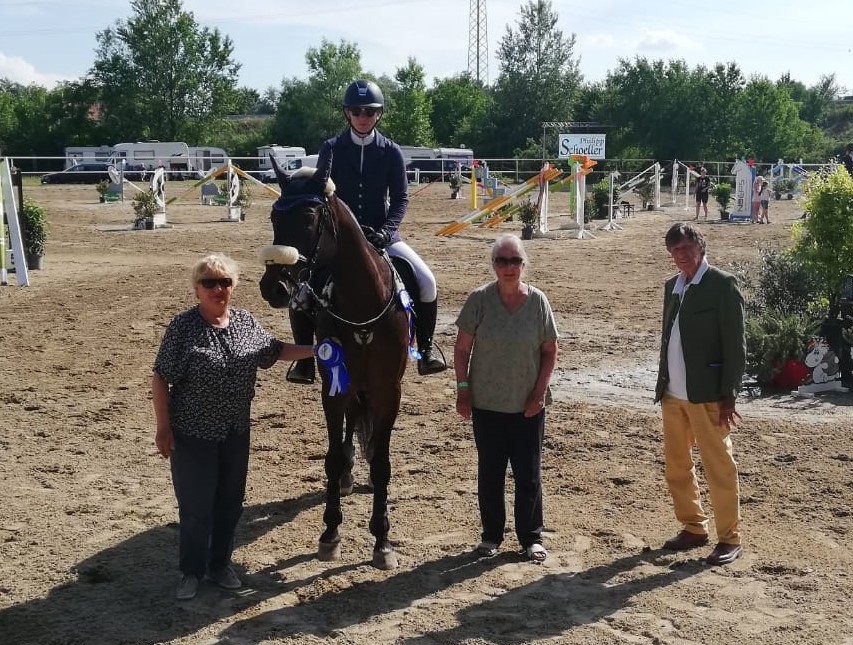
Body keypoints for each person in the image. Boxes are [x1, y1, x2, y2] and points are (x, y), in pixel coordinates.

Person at [152, 253, 316, 600]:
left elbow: (275, 350)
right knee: (196, 507)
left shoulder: (244, 322)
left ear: (234, 286)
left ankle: (219, 565)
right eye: (209, 283)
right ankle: (191, 571)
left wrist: (317, 350)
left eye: (224, 282)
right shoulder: (183, 327)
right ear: (197, 289)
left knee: (229, 503)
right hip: (193, 433)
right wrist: (163, 427)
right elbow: (161, 377)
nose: (218, 289)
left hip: (235, 431)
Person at [286, 78, 447, 384]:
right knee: (302, 289)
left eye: (370, 111)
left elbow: (400, 198)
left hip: (382, 236)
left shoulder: (391, 152)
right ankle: (305, 364)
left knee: (427, 280)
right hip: (338, 240)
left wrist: (387, 231)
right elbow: (323, 195)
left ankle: (425, 350)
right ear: (348, 113)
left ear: (379, 114)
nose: (363, 116)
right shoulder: (331, 148)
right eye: (357, 111)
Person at [453, 234, 559, 563]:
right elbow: (461, 349)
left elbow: (550, 351)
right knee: (491, 473)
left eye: (515, 261)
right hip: (487, 404)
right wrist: (463, 389)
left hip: (527, 406)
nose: (509, 267)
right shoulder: (479, 300)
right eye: (502, 261)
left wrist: (539, 393)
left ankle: (531, 537)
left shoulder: (539, 301)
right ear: (494, 265)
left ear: (524, 265)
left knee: (528, 474)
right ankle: (491, 536)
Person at [655, 223, 746, 566]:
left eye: (686, 248)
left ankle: (730, 538)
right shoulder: (672, 287)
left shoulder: (722, 285)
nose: (681, 256)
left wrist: (730, 394)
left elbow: (736, 344)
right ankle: (693, 526)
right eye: (675, 250)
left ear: (700, 247)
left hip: (708, 395)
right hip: (672, 394)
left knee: (718, 466)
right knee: (677, 465)